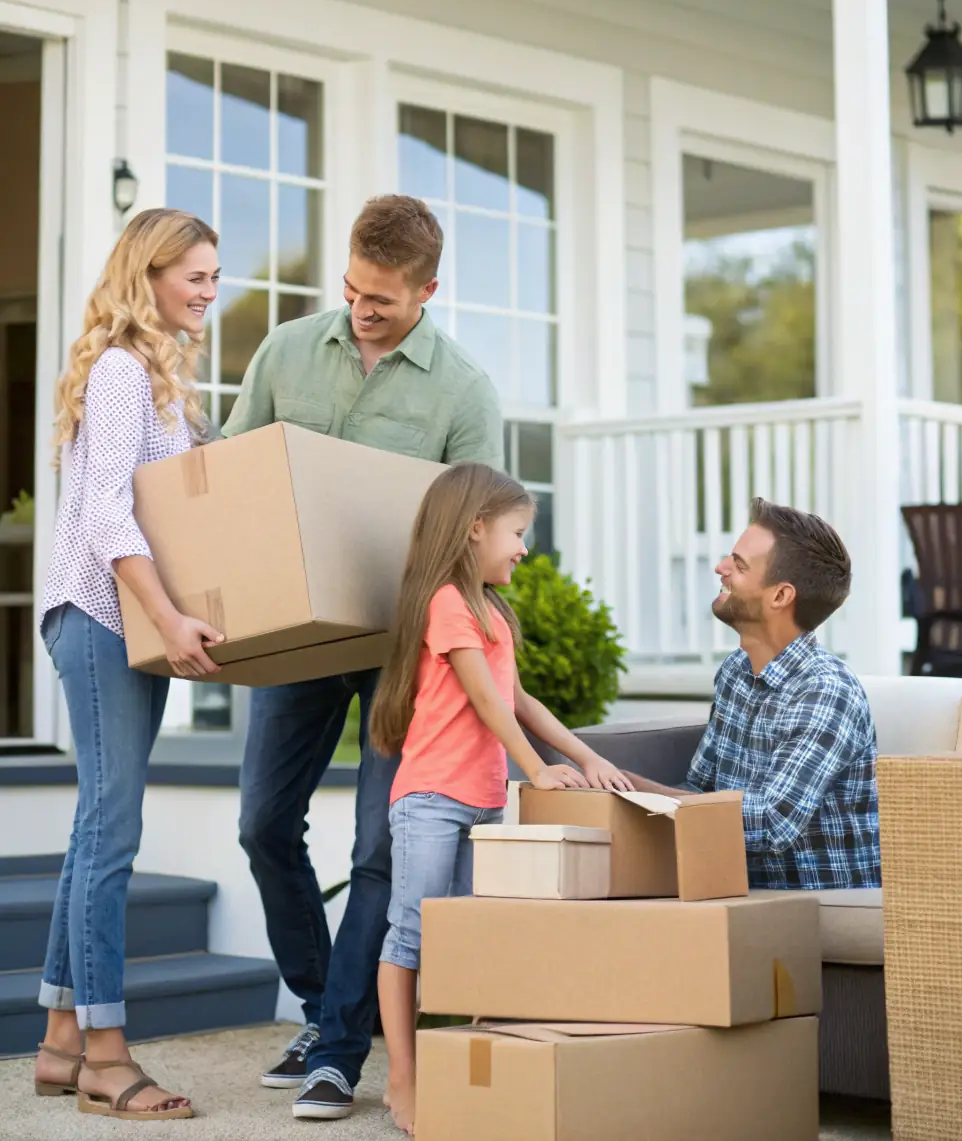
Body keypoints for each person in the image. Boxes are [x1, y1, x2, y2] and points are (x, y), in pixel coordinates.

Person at [222, 195, 505, 1121]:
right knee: (264, 822)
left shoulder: (464, 392)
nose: (360, 307)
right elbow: (234, 472)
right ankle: (320, 1007)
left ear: (428, 289)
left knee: (380, 845)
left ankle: (340, 1049)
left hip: (400, 650)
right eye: (351, 288)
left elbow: (477, 537)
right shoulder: (288, 350)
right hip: (298, 634)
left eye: (381, 297)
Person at [369, 463, 633, 1135]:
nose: (523, 547)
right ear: (475, 527)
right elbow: (484, 698)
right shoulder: (447, 604)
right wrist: (536, 773)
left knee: (462, 938)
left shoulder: (492, 610)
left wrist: (585, 755)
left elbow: (518, 699)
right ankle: (403, 1077)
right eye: (517, 532)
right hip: (433, 798)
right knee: (413, 932)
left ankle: (454, 1065)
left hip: (482, 802)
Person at [34, 209, 223, 1120]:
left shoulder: (157, 382)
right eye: (195, 274)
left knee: (92, 829)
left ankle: (62, 1040)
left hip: (125, 623)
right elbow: (111, 513)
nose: (209, 291)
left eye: (214, 276)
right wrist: (167, 615)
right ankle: (108, 1053)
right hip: (105, 615)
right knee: (113, 831)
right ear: (147, 275)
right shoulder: (117, 372)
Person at [628, 499, 880, 890]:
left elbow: (771, 823)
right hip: (738, 895)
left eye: (739, 565)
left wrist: (629, 788)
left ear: (780, 596)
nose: (721, 569)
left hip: (816, 906)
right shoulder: (735, 673)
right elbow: (701, 791)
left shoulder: (826, 691)